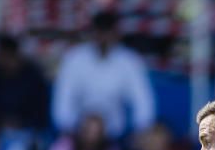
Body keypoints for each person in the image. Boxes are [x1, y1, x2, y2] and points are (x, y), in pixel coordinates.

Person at [51, 10, 155, 140]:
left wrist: (140, 129)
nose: (104, 40)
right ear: (92, 34)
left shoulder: (130, 61)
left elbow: (142, 100)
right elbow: (63, 97)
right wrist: (66, 127)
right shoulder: (75, 58)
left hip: (114, 132)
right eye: (100, 34)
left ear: (117, 35)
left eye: (108, 34)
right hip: (79, 130)